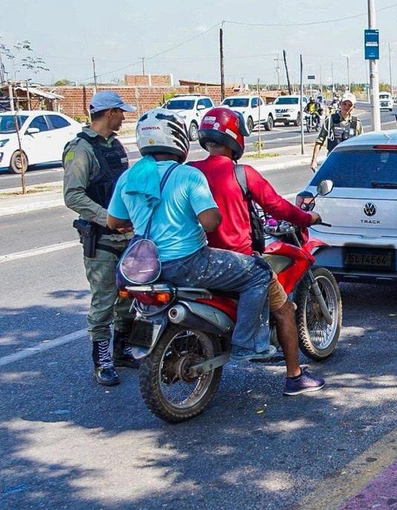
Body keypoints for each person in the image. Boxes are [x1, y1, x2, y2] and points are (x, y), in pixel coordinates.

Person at [107, 109, 275, 362]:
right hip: (187, 264)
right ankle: (247, 344)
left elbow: (114, 221)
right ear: (178, 138)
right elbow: (210, 223)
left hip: (145, 267)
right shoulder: (188, 175)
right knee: (259, 273)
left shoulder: (129, 177)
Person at [191, 107, 326, 396]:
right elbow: (277, 206)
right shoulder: (242, 173)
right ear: (234, 138)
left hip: (199, 260)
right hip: (240, 261)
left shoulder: (190, 171)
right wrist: (307, 218)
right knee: (285, 309)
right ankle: (294, 376)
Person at [63, 91, 137, 386]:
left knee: (128, 298)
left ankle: (122, 350)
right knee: (104, 302)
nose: (123, 118)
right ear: (109, 113)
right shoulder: (80, 149)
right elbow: (73, 195)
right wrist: (107, 218)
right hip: (102, 240)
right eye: (121, 112)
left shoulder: (115, 145)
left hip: (126, 238)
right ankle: (102, 360)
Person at [310, 91, 362, 169]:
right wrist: (314, 161)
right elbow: (319, 141)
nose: (346, 107)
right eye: (344, 104)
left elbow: (362, 143)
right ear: (340, 104)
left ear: (353, 106)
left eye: (350, 105)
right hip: (333, 161)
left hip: (351, 162)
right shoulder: (330, 120)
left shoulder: (356, 123)